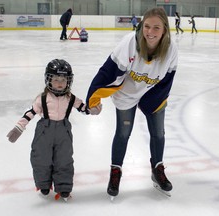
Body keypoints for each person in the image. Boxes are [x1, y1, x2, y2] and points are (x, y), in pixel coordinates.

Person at [86, 7, 178, 198]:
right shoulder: (129, 43)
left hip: (152, 93)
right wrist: (93, 97)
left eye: (156, 28)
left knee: (158, 134)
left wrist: (152, 102)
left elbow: (166, 81)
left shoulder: (171, 51)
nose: (150, 32)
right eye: (147, 26)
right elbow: (107, 72)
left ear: (164, 31)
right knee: (123, 133)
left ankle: (157, 169)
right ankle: (116, 171)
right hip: (126, 95)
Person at [7, 59, 90, 201]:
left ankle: (64, 187)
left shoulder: (71, 98)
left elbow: (83, 107)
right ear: (48, 80)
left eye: (64, 79)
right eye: (56, 79)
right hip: (44, 131)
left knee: (64, 159)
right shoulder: (43, 98)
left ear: (69, 81)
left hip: (64, 132)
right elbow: (30, 113)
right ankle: (43, 184)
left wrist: (92, 109)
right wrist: (19, 127)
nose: (60, 83)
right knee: (41, 158)